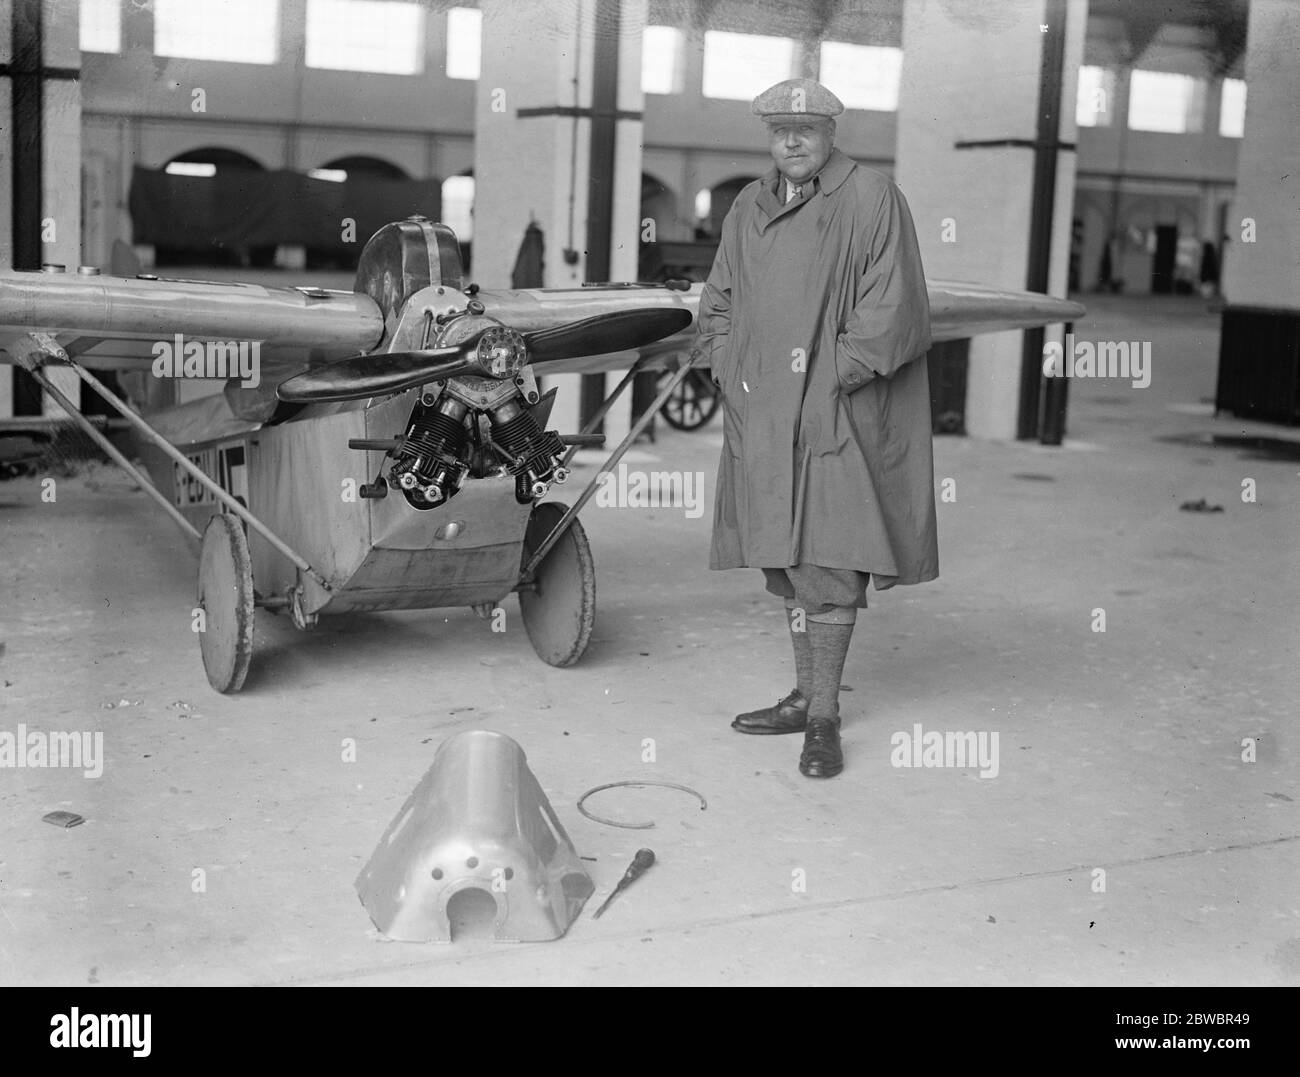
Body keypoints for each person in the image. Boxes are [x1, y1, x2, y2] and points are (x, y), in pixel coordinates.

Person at [693, 78, 938, 779]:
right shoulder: (749, 202)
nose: (792, 140)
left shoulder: (870, 197)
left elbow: (895, 310)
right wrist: (723, 365)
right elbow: (719, 298)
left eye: (805, 128)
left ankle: (824, 717)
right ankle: (804, 694)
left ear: (831, 133)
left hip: (835, 412)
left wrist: (830, 378)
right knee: (787, 557)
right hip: (762, 411)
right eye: (779, 129)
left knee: (829, 559)